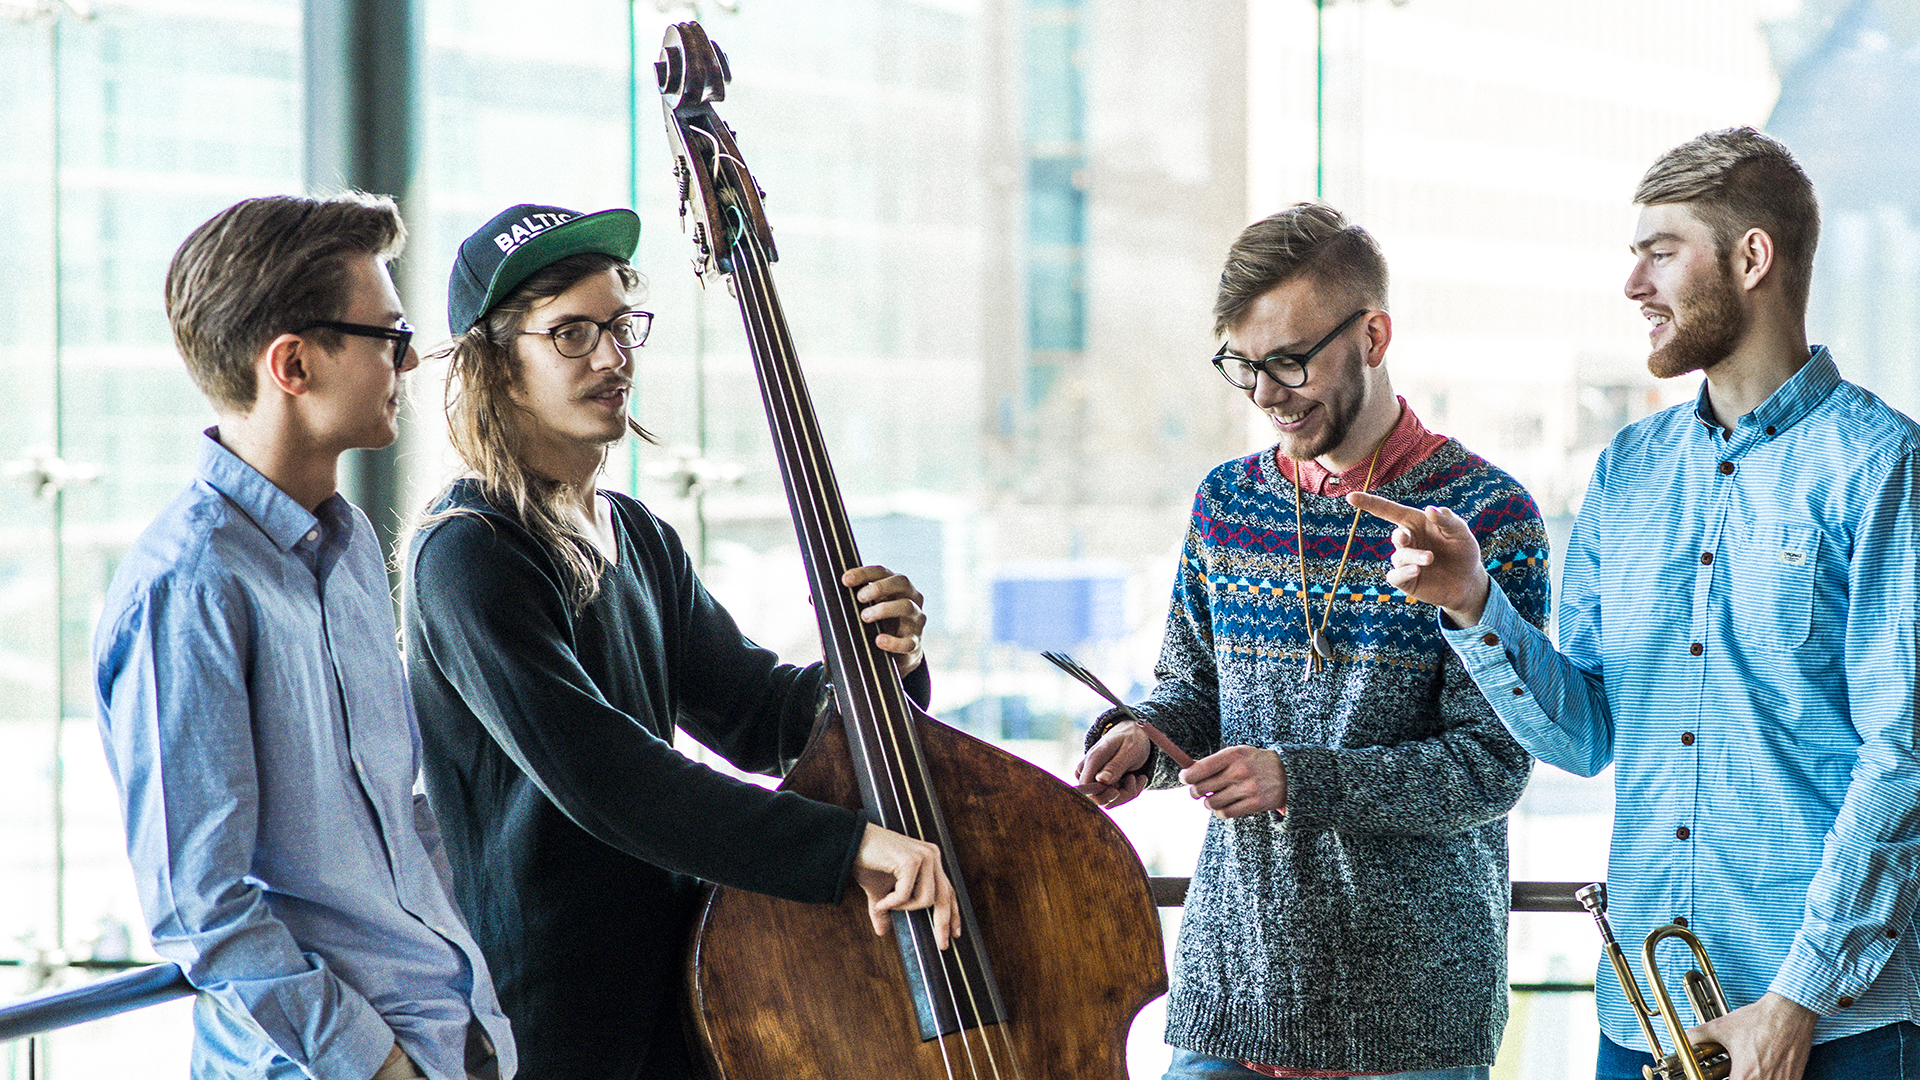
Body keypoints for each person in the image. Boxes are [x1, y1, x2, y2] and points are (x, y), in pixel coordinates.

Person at [1357, 127, 1920, 1080]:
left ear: (1752, 258)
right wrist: (1474, 603)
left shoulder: (1880, 465)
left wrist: (1798, 999)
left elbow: (1903, 754)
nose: (1634, 287)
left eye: (1661, 252)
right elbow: (1586, 735)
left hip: (1832, 1028)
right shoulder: (1626, 471)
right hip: (1646, 1025)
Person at [403, 204, 959, 1079]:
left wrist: (882, 663)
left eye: (621, 326)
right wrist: (844, 847)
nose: (613, 358)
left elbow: (761, 715)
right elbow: (605, 777)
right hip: (553, 1028)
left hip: (685, 993)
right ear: (498, 368)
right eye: (572, 334)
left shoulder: (637, 534)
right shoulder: (471, 551)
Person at [1075, 203, 1549, 1080]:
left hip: (1414, 1015)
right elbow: (1195, 694)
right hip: (1235, 990)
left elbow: (1492, 766)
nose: (1265, 396)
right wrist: (1147, 740)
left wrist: (1297, 776)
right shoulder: (1227, 500)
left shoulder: (1488, 514)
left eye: (1291, 362)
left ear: (1374, 335)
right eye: (1244, 366)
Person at [92, 193, 516, 1080]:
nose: (407, 364)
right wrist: (377, 1065)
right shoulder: (188, 584)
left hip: (457, 1042)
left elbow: (396, 814)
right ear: (292, 363)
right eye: (389, 340)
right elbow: (201, 907)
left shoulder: (351, 540)